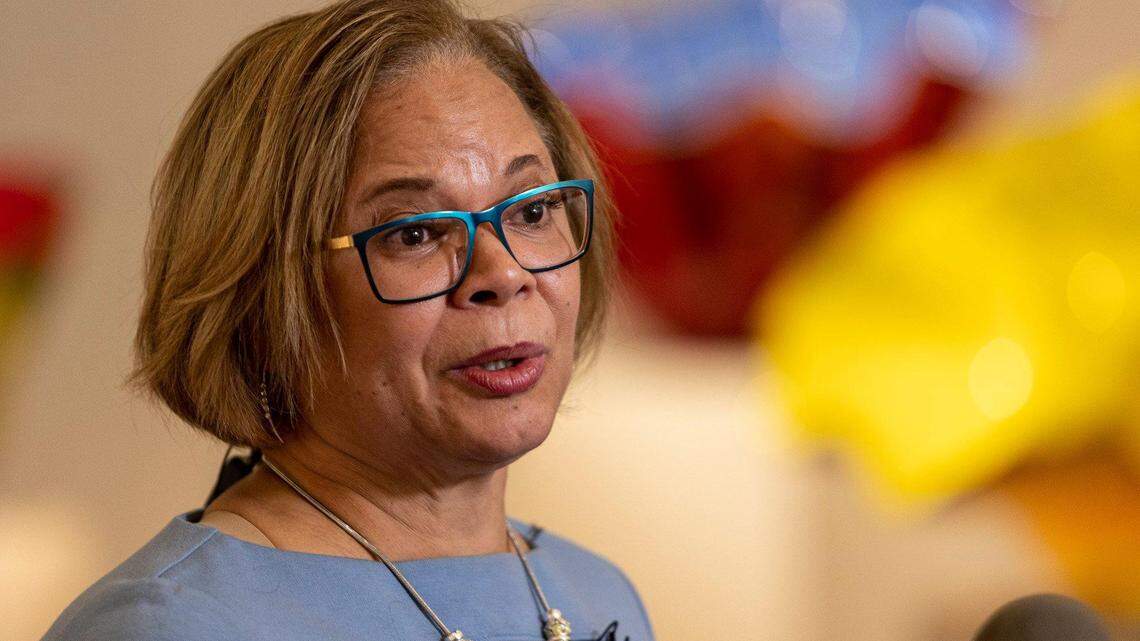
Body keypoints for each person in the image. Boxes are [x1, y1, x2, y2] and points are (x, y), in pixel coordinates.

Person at [42, 1, 654, 640]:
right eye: (414, 232)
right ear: (267, 289)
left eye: (531, 212)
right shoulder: (173, 625)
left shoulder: (595, 592)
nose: (503, 274)